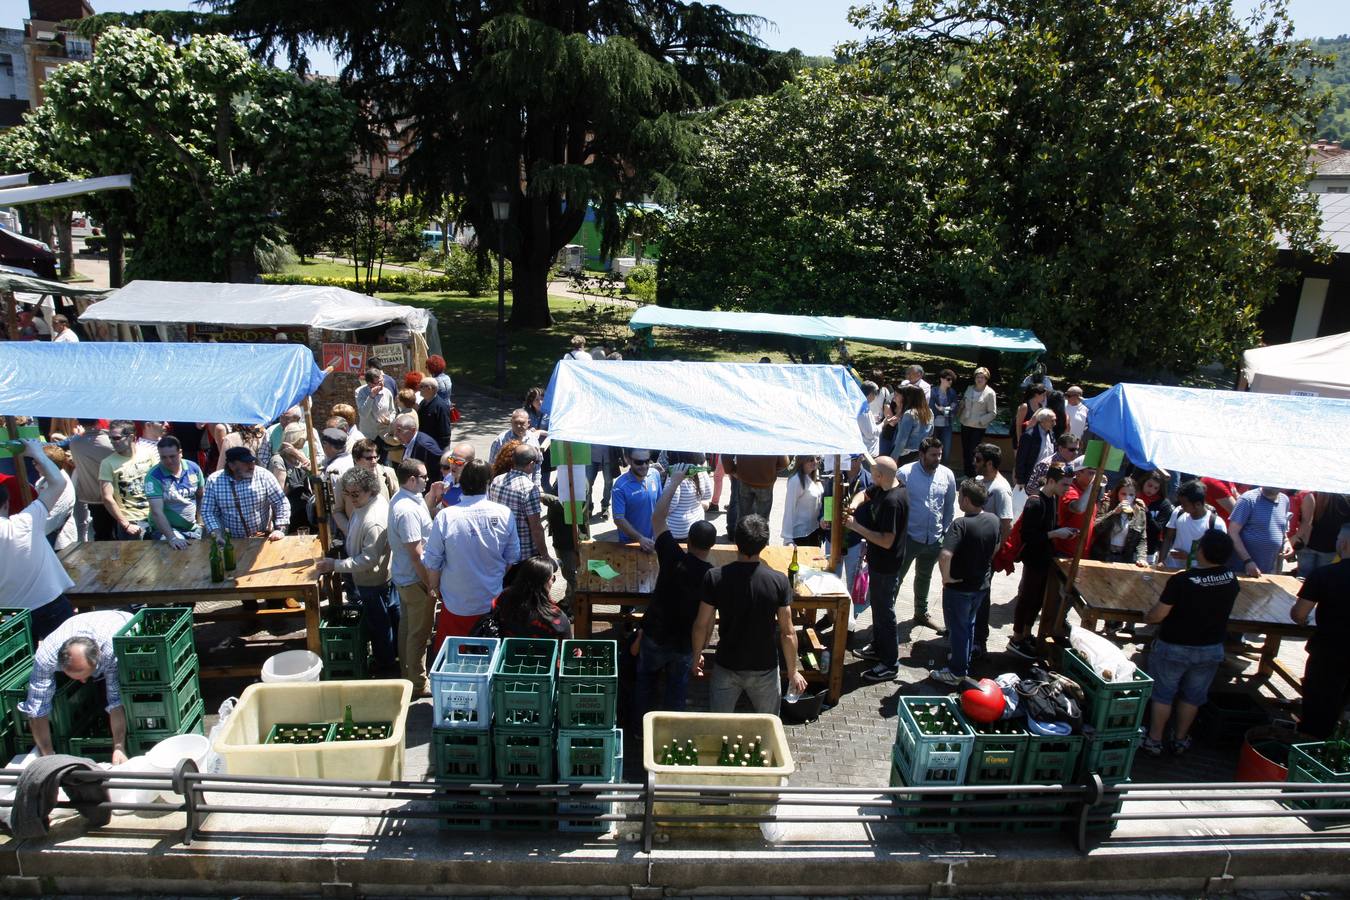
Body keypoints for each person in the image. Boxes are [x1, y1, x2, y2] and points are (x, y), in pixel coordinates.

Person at [690, 514, 806, 713]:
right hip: (765, 667)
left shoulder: (715, 578)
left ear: (735, 541)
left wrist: (696, 657)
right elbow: (788, 632)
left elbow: (701, 624)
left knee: (719, 725)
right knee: (768, 726)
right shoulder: (779, 581)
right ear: (764, 544)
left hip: (727, 663)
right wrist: (793, 671)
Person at [1142, 529, 1239, 756]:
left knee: (1163, 694)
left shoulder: (1182, 580)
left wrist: (1146, 617)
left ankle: (1154, 740)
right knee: (1192, 697)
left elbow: (1158, 614)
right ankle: (1180, 739)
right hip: (1210, 649)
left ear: (1202, 551)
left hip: (1174, 646)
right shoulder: (1231, 579)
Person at [636, 467, 716, 723]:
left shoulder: (671, 554)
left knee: (645, 682)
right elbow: (706, 621)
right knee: (677, 689)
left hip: (655, 635)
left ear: (688, 540)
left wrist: (673, 482)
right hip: (683, 644)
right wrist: (699, 651)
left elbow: (658, 518)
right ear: (711, 546)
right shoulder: (712, 576)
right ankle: (672, 729)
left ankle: (639, 726)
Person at [18, 609, 134, 764]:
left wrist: (119, 747)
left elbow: (115, 700)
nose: (84, 681)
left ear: (98, 657)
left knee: (109, 691)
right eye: (77, 678)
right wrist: (47, 755)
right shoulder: (46, 657)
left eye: (86, 675)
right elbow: (37, 709)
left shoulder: (110, 650)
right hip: (80, 628)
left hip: (122, 623)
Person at [423, 460, 520, 642]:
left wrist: (434, 588)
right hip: (490, 599)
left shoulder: (446, 516)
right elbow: (512, 557)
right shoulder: (504, 513)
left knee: (453, 659)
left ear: (462, 482)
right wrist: (494, 576)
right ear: (488, 483)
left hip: (455, 602)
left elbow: (433, 560)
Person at [317, 467, 397, 674]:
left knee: (379, 626)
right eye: (347, 494)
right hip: (371, 579)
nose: (351, 499)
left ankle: (385, 666)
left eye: (355, 494)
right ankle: (386, 659)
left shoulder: (374, 521)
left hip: (373, 581)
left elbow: (368, 560)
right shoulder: (368, 503)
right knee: (381, 623)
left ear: (370, 490)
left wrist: (334, 565)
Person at [0, 439, 77, 641]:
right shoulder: (25, 521)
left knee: (23, 670)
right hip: (49, 603)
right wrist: (37, 453)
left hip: (10, 615)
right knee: (70, 662)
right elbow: (58, 482)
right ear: (7, 504)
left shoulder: (25, 521)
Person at [932, 480, 1001, 684]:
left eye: (960, 495)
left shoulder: (960, 524)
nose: (958, 499)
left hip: (959, 588)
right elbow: (996, 546)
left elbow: (944, 555)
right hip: (981, 586)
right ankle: (963, 659)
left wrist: (946, 578)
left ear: (967, 500)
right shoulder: (994, 520)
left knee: (958, 628)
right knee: (968, 625)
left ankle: (956, 672)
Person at [848, 457, 910, 682]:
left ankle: (890, 664)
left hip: (887, 565)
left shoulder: (893, 501)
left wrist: (856, 527)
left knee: (885, 613)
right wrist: (855, 505)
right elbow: (864, 494)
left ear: (881, 475)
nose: (870, 474)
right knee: (879, 609)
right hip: (878, 562)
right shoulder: (887, 486)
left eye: (873, 472)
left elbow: (886, 541)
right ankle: (878, 646)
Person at [1007, 466, 1078, 658]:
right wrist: (1055, 533)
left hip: (1045, 557)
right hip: (1033, 558)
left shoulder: (1054, 499)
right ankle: (1017, 637)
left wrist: (1065, 531)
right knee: (1027, 598)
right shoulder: (1035, 503)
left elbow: (1050, 526)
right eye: (1064, 485)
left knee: (1038, 599)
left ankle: (1027, 633)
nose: (1067, 489)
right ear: (1051, 481)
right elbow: (1028, 536)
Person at [1291, 525, 1350, 739]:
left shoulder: (1324, 574)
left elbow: (1299, 613)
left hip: (1328, 652)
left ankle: (1308, 752)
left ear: (1343, 543)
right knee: (1341, 708)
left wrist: (1303, 620)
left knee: (1318, 710)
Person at [897, 437, 957, 633]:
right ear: (922, 454)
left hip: (934, 539)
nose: (937, 458)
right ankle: (886, 617)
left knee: (925, 577)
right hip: (909, 538)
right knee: (897, 577)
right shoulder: (905, 473)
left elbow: (949, 507)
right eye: (933, 455)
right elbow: (897, 507)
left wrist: (944, 535)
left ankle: (920, 613)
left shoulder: (947, 475)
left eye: (939, 454)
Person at [388, 458, 436, 695]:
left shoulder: (408, 499)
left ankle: (407, 676)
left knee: (408, 628)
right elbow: (416, 555)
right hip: (414, 580)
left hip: (406, 578)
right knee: (419, 633)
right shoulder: (405, 510)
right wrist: (430, 584)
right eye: (424, 477)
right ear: (411, 480)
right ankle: (417, 684)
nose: (427, 479)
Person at [972, 443, 1013, 660]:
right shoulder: (979, 481)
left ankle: (980, 641)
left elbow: (1007, 525)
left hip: (986, 555)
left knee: (981, 597)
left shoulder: (1000, 488)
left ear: (989, 463)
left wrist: (994, 553)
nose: (973, 462)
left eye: (977, 459)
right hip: (974, 552)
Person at [201, 446, 290, 540]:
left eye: (252, 461)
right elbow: (209, 512)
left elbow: (281, 502)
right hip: (230, 540)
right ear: (231, 465)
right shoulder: (214, 480)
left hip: (261, 537)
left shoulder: (264, 475)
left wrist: (280, 529)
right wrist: (217, 534)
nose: (252, 466)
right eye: (246, 463)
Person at [98, 420, 157, 540]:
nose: (112, 442)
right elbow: (107, 497)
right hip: (131, 521)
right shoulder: (107, 463)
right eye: (110, 438)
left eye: (116, 438)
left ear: (130, 437)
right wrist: (125, 524)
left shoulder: (148, 454)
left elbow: (159, 483)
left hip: (154, 516)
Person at [488, 443, 548, 560]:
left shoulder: (497, 480)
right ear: (531, 464)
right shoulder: (529, 489)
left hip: (501, 547)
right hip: (523, 552)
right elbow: (536, 528)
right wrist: (545, 555)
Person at [144, 435, 205, 549]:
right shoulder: (153, 476)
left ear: (180, 453)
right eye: (164, 457)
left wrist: (200, 521)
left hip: (192, 527)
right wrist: (172, 538)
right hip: (168, 530)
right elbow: (157, 512)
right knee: (178, 552)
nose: (168, 461)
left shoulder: (193, 468)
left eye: (172, 456)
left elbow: (200, 496)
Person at [495, 556, 572, 639]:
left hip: (508, 650)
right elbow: (568, 648)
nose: (553, 581)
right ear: (545, 584)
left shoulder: (503, 600)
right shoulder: (556, 619)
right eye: (552, 579)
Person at [1158, 480, 1228, 571]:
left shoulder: (1216, 523)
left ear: (1198, 504)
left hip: (1200, 573)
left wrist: (1189, 556)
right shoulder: (1178, 512)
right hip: (1172, 568)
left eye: (1184, 504)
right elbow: (1168, 538)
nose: (1181, 506)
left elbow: (1219, 555)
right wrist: (1161, 561)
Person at [66, 419, 115, 542]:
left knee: (102, 534)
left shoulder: (75, 443)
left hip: (93, 497)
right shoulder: (111, 441)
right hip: (116, 496)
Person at [1227, 486, 1292, 576]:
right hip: (1242, 568)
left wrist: (1286, 541)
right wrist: (1248, 561)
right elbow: (1232, 532)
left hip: (1268, 568)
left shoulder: (1285, 500)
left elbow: (1281, 526)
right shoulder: (1247, 499)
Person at [724, 452, 788, 536]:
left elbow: (726, 455)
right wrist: (770, 470)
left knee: (743, 518)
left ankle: (742, 544)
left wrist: (732, 470)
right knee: (763, 520)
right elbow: (784, 462)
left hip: (745, 479)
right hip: (765, 482)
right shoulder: (773, 439)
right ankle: (762, 544)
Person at [1090, 476, 1148, 566]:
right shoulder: (1107, 505)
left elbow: (1142, 538)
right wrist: (1114, 513)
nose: (1127, 498)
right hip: (1102, 555)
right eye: (1123, 494)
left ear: (1136, 495)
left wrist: (1141, 557)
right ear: (1117, 493)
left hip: (1124, 558)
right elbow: (1095, 528)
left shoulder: (1139, 512)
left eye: (1131, 495)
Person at [612, 449, 662, 550]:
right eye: (639, 462)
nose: (644, 466)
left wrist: (659, 531)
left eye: (647, 461)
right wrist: (640, 538)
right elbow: (618, 519)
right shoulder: (620, 486)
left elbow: (659, 505)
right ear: (628, 460)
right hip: (630, 543)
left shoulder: (655, 475)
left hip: (652, 541)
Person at [1293, 492, 1350, 578]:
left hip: (1307, 544)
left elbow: (1303, 521)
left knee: (1302, 575)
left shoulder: (1313, 496)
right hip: (1329, 547)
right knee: (1322, 577)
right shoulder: (1343, 501)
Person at [1052, 460, 1099, 558]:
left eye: (1095, 473)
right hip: (1066, 553)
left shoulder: (1089, 491)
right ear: (1078, 473)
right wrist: (1093, 484)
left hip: (1083, 554)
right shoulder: (1069, 489)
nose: (1094, 476)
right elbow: (1079, 508)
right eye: (1091, 473)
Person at [958, 368, 998, 478]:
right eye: (977, 377)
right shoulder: (969, 388)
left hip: (978, 427)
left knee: (973, 452)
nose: (979, 379)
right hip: (965, 423)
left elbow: (993, 413)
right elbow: (964, 402)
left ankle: (973, 475)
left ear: (986, 379)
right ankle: (966, 474)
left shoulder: (990, 393)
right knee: (966, 450)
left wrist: (980, 420)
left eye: (982, 378)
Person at [664, 451, 712, 540]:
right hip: (696, 528)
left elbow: (669, 507)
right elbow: (708, 496)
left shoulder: (674, 475)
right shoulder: (700, 470)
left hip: (677, 531)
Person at [1014, 408, 1058, 492]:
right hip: (1031, 477)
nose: (1054, 424)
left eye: (1055, 420)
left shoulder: (1051, 434)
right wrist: (1020, 480)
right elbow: (1021, 459)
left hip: (1046, 477)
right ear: (1042, 421)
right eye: (1052, 421)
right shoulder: (1029, 436)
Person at [355, 367, 396, 455]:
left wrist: (390, 420)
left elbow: (393, 411)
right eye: (378, 382)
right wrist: (371, 396)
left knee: (384, 462)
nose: (381, 384)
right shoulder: (360, 392)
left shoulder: (387, 392)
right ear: (369, 383)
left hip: (384, 434)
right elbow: (363, 414)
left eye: (382, 381)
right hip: (369, 436)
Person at [784, 455, 824, 547]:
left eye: (817, 459)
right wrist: (788, 539)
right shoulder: (795, 480)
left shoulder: (813, 477)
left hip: (815, 531)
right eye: (810, 459)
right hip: (800, 536)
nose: (815, 461)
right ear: (802, 461)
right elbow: (789, 509)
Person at [1138, 470, 1175, 564]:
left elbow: (1158, 528)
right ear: (1143, 482)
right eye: (1149, 485)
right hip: (1129, 547)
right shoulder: (1133, 495)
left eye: (1156, 488)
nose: (1151, 490)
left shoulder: (1164, 504)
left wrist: (1146, 512)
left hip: (1149, 549)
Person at [427, 442, 475, 514]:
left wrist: (439, 513)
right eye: (451, 460)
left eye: (458, 463)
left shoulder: (473, 489)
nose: (453, 466)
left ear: (470, 464)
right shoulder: (449, 477)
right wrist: (433, 492)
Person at [892, 384, 934, 465]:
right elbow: (931, 433)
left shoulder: (909, 414)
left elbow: (902, 440)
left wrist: (893, 458)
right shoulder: (930, 412)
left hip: (907, 455)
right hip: (921, 453)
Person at [929, 369, 959, 464]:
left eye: (952, 380)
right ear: (941, 379)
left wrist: (943, 409)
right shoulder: (933, 391)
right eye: (948, 379)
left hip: (946, 425)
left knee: (945, 451)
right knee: (931, 449)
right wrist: (947, 410)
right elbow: (932, 408)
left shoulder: (952, 392)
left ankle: (944, 470)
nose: (950, 382)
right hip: (933, 425)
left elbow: (954, 409)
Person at [416, 378, 453, 453]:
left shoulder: (441, 406)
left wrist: (442, 450)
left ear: (430, 389)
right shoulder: (423, 403)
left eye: (421, 386)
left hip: (436, 447)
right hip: (425, 445)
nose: (419, 389)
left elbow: (445, 431)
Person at [1012, 385, 1048, 452]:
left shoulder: (1040, 406)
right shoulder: (1024, 406)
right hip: (1022, 439)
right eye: (1043, 395)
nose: (1045, 397)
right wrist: (1020, 441)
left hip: (1032, 440)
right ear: (1036, 395)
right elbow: (1018, 425)